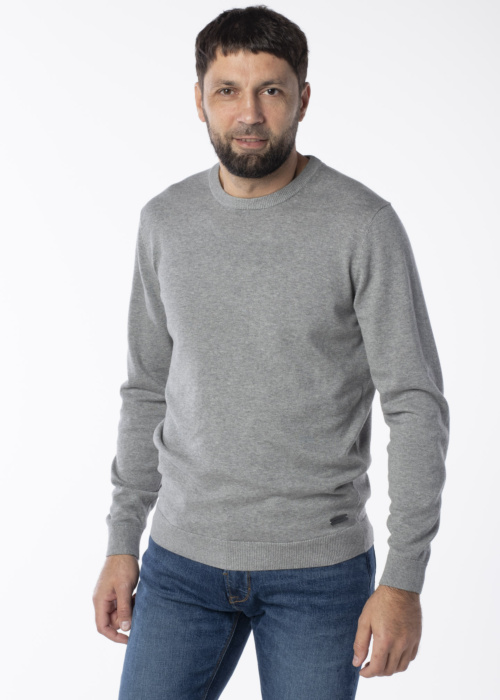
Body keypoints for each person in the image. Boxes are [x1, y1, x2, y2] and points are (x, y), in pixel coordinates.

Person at [92, 6, 450, 699]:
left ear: (303, 99)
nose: (249, 113)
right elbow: (146, 389)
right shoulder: (165, 221)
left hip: (319, 572)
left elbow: (414, 404)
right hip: (180, 563)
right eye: (227, 90)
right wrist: (121, 539)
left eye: (272, 90)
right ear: (199, 99)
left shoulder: (362, 224)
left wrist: (403, 580)